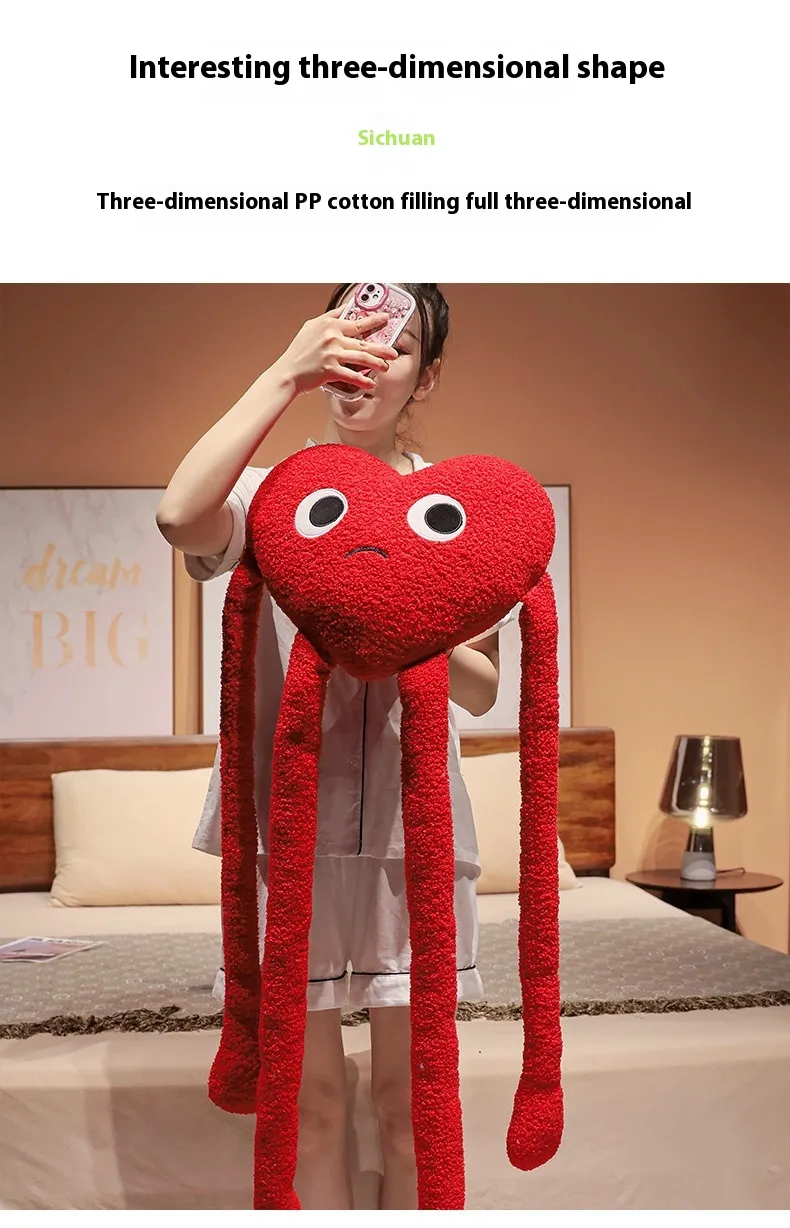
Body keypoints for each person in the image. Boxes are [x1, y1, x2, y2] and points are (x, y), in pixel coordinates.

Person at [156, 283, 516, 1210]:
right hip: (290, 831)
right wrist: (285, 369)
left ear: (425, 377)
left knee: (410, 1105)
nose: (366, 358)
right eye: (352, 334)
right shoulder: (271, 497)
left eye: (393, 345)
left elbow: (482, 688)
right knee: (310, 1106)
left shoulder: (455, 512)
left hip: (411, 833)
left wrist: (396, 612)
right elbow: (181, 516)